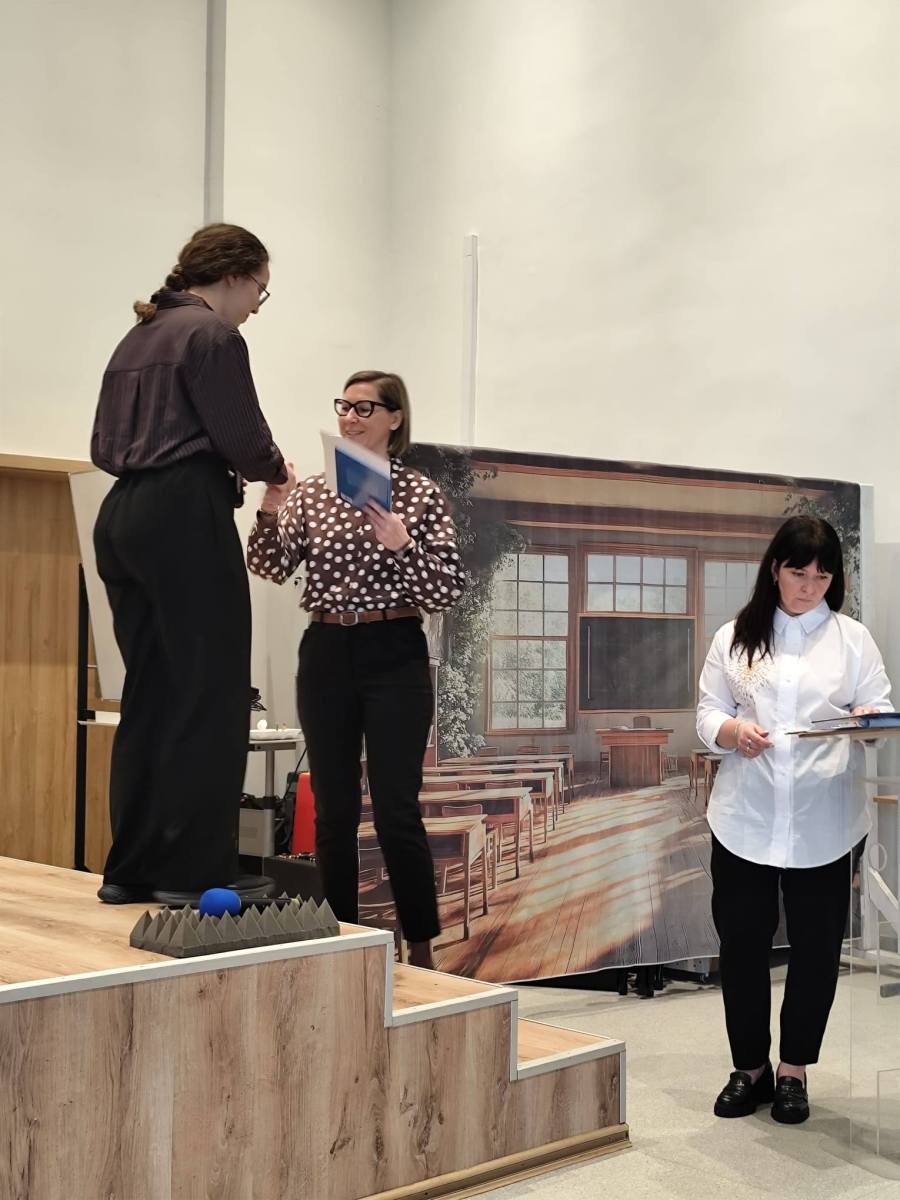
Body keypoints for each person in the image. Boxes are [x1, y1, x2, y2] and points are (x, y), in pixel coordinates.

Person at [91, 223, 293, 906]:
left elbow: (104, 437)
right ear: (234, 275)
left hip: (123, 513)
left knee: (151, 692)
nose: (256, 306)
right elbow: (242, 435)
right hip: (184, 510)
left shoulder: (138, 336)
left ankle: (132, 868)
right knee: (211, 692)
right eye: (259, 290)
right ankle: (195, 871)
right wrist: (276, 471)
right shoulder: (212, 336)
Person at [247, 370, 465, 967]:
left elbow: (447, 589)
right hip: (326, 650)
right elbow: (269, 566)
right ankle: (338, 942)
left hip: (394, 649)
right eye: (344, 406)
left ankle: (421, 946)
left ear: (395, 418)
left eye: (365, 408)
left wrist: (402, 544)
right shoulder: (315, 493)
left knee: (397, 806)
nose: (350, 416)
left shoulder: (418, 493)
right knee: (334, 808)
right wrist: (270, 507)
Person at [697, 515, 891, 1125]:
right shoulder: (736, 636)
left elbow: (879, 708)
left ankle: (794, 1070)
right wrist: (732, 730)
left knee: (815, 951)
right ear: (775, 569)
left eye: (822, 577)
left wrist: (867, 720)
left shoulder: (852, 640)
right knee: (743, 946)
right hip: (744, 817)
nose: (808, 587)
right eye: (798, 573)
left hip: (824, 818)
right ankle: (749, 1068)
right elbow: (707, 712)